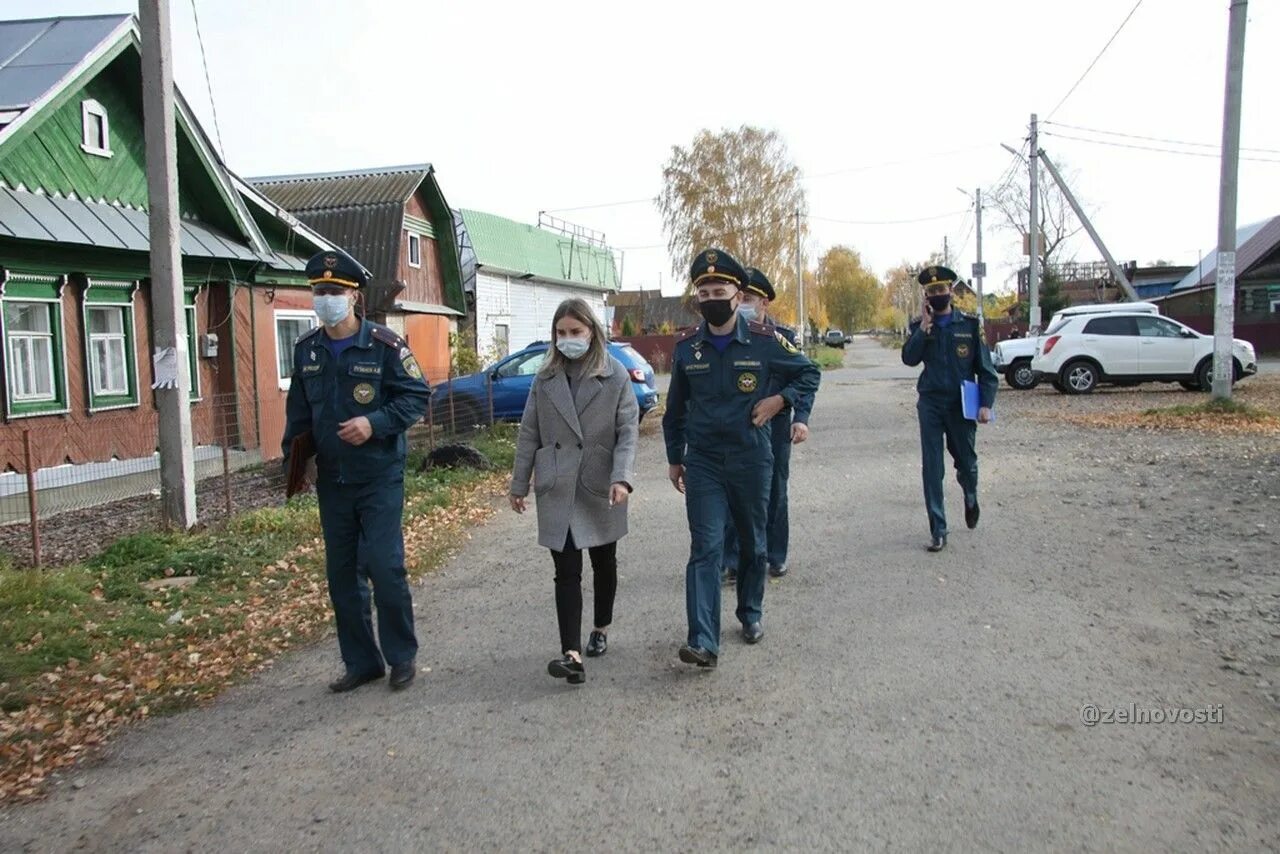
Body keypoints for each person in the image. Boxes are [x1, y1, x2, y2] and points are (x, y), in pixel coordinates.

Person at [663, 248, 821, 668]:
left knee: (753, 543)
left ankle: (750, 611)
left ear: (738, 294)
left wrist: (778, 401)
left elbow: (810, 373)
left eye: (720, 289)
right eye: (704, 290)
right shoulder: (687, 350)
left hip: (751, 459)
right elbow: (675, 410)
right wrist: (674, 458)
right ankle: (703, 641)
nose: (712, 296)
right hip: (704, 463)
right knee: (706, 546)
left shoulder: (766, 343)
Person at [282, 249, 430, 692]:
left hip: (379, 475)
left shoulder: (384, 345)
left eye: (335, 292)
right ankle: (362, 662)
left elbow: (416, 396)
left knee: (385, 568)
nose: (326, 298)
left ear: (354, 297)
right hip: (333, 481)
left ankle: (401, 656)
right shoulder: (307, 351)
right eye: (320, 291)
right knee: (342, 575)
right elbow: (299, 414)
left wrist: (374, 423)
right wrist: (296, 459)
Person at [509, 298, 639, 685]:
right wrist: (519, 483)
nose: (568, 340)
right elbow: (529, 431)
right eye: (561, 333)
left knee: (603, 563)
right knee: (565, 571)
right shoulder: (544, 377)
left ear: (592, 333)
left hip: (600, 482)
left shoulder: (614, 375)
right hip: (558, 483)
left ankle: (600, 626)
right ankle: (571, 654)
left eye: (575, 332)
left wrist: (622, 477)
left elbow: (628, 432)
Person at [721, 267, 813, 582]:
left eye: (749, 299)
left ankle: (775, 555)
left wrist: (795, 413)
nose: (743, 304)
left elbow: (805, 379)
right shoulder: (729, 335)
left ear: (765, 303)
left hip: (775, 428)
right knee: (734, 492)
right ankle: (734, 559)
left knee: (774, 492)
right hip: (738, 429)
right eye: (739, 298)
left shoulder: (783, 338)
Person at [900, 265, 999, 553]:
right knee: (932, 468)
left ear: (951, 291)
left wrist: (985, 404)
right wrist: (922, 330)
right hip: (930, 403)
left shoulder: (968, 325)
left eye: (941, 290)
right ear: (926, 296)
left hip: (961, 404)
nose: (937, 295)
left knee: (966, 461)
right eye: (931, 291)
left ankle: (970, 494)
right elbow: (909, 359)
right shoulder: (920, 325)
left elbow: (986, 369)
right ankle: (938, 529)